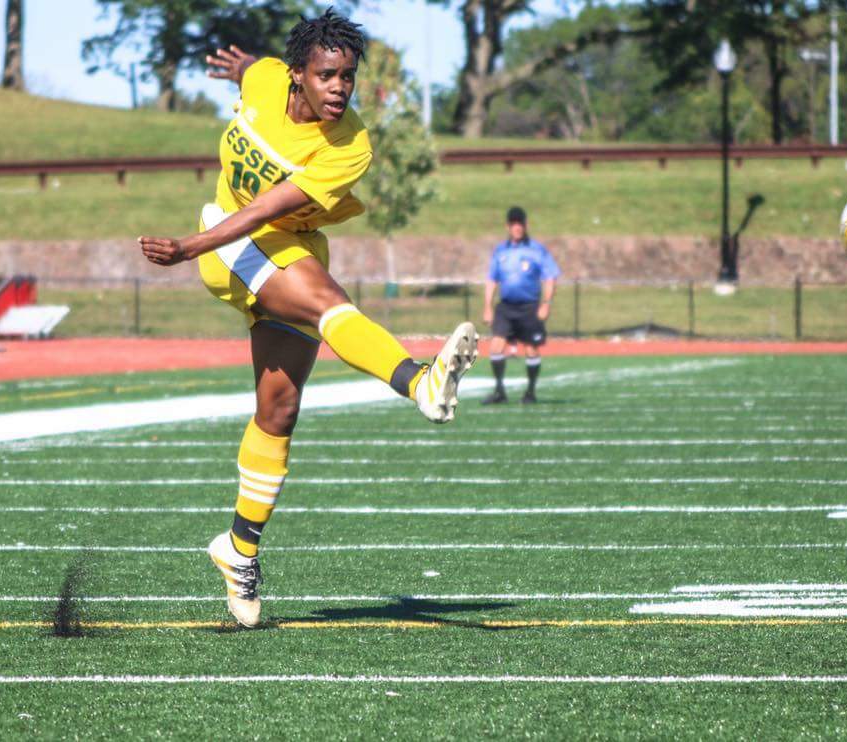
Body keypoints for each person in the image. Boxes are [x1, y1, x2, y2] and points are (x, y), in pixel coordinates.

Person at [138, 10, 477, 628]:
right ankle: (418, 381)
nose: (340, 88)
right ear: (297, 75)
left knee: (278, 410)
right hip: (231, 240)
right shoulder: (269, 77)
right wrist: (197, 242)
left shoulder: (351, 145)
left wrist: (190, 244)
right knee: (327, 305)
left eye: (348, 76)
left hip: (278, 246)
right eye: (327, 75)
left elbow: (276, 203)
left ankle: (237, 550)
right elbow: (253, 76)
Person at [481, 207, 559, 405]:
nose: (517, 227)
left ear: (525, 225)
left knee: (532, 350)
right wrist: (487, 307)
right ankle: (500, 391)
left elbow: (550, 278)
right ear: (508, 226)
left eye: (520, 223)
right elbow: (492, 280)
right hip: (506, 308)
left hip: (529, 307)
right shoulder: (501, 251)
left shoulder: (537, 250)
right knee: (496, 347)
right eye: (513, 223)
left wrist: (546, 304)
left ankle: (530, 392)